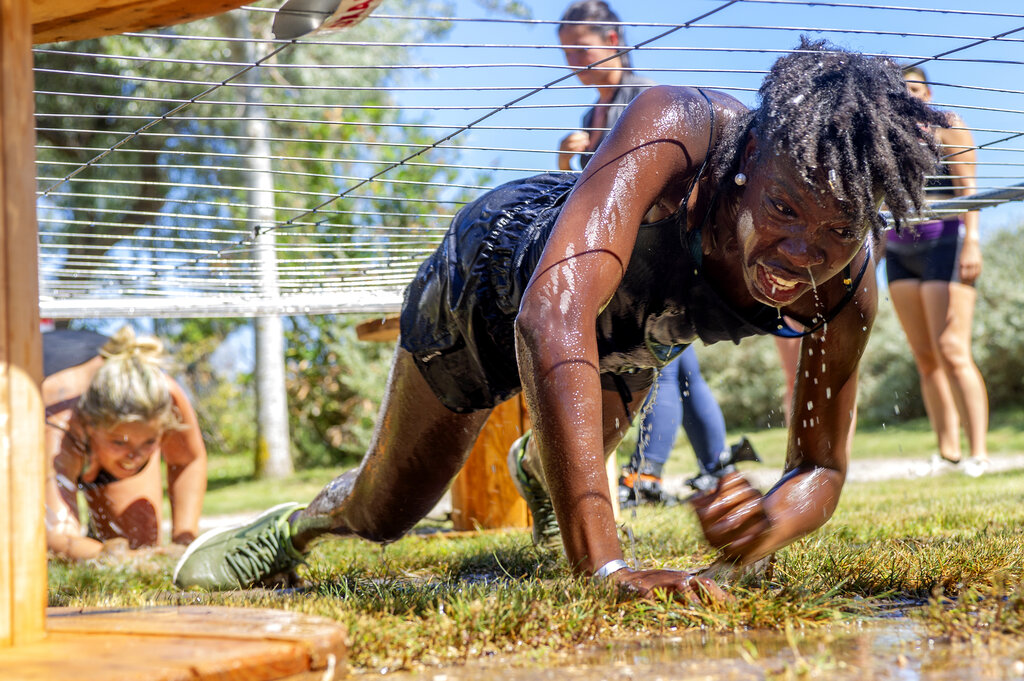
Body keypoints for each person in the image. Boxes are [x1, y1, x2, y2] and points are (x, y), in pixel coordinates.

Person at [174, 39, 946, 600]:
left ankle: (540, 466)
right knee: (388, 510)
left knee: (582, 418)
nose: (800, 252)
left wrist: (765, 526)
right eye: (782, 208)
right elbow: (553, 312)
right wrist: (607, 566)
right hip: (498, 276)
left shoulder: (844, 280)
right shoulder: (676, 123)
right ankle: (293, 529)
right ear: (746, 165)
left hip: (631, 329)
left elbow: (822, 467)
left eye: (837, 231)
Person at [554, 1, 735, 508]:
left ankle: (646, 476)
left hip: (662, 252)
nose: (573, 62)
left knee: (663, 363)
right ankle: (719, 466)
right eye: (567, 52)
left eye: (580, 49)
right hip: (626, 257)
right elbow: (584, 199)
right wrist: (571, 154)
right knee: (684, 367)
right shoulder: (595, 114)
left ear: (611, 41)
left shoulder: (641, 100)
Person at [886, 66, 989, 477]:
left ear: (926, 93)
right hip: (898, 248)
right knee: (926, 358)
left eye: (912, 90)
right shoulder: (887, 138)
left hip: (945, 244)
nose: (907, 98)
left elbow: (970, 192)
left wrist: (973, 241)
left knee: (952, 351)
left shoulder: (948, 126)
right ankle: (948, 454)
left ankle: (978, 452)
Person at [44, 326, 208, 560]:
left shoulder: (164, 394)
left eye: (149, 441)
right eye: (120, 442)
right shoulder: (58, 415)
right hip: (36, 397)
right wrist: (111, 557)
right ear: (90, 426)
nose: (135, 456)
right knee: (60, 552)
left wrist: (184, 543)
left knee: (141, 545)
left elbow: (188, 460)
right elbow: (55, 537)